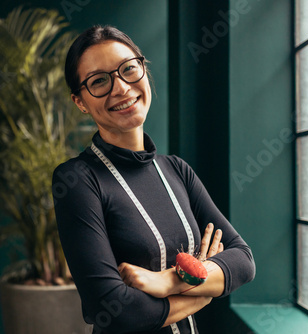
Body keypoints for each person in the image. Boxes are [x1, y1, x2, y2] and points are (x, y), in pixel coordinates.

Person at [52, 25, 255, 334]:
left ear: (143, 70)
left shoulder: (177, 170)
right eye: (99, 81)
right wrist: (205, 289)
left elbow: (243, 260)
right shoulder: (77, 180)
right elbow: (113, 309)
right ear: (80, 101)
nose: (120, 88)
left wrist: (168, 280)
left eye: (128, 69)